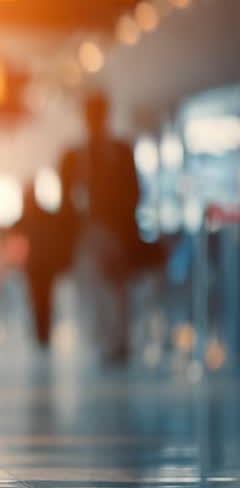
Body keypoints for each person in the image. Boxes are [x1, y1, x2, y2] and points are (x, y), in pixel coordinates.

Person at [58, 93, 141, 363]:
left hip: (112, 231)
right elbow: (67, 200)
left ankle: (116, 339)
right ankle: (107, 340)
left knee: (113, 287)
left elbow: (133, 192)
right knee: (99, 287)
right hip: (92, 232)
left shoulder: (117, 151)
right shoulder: (75, 156)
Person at [13, 185, 71, 348]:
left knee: (39, 300)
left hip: (38, 266)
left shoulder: (27, 218)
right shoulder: (42, 216)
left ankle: (42, 333)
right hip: (41, 266)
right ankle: (42, 333)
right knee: (43, 300)